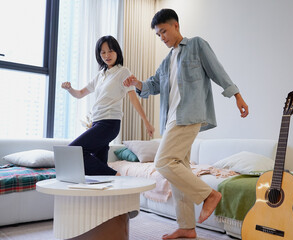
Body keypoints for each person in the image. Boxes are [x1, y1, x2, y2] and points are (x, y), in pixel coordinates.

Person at [123, 9, 249, 239]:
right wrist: (138, 83)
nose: (162, 37)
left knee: (162, 162)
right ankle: (187, 227)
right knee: (178, 169)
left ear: (176, 26)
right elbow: (153, 85)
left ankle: (209, 194)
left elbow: (217, 70)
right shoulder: (166, 60)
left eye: (164, 31)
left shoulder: (197, 46)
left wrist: (236, 95)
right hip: (170, 119)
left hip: (189, 115)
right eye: (158, 34)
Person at [62, 35, 154, 176]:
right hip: (97, 123)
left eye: (110, 51)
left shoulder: (123, 72)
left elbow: (133, 99)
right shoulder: (100, 75)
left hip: (109, 123)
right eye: (103, 52)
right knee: (99, 172)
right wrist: (70, 89)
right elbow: (80, 93)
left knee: (72, 151)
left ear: (117, 51)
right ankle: (108, 189)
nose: (107, 55)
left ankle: (116, 175)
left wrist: (146, 122)